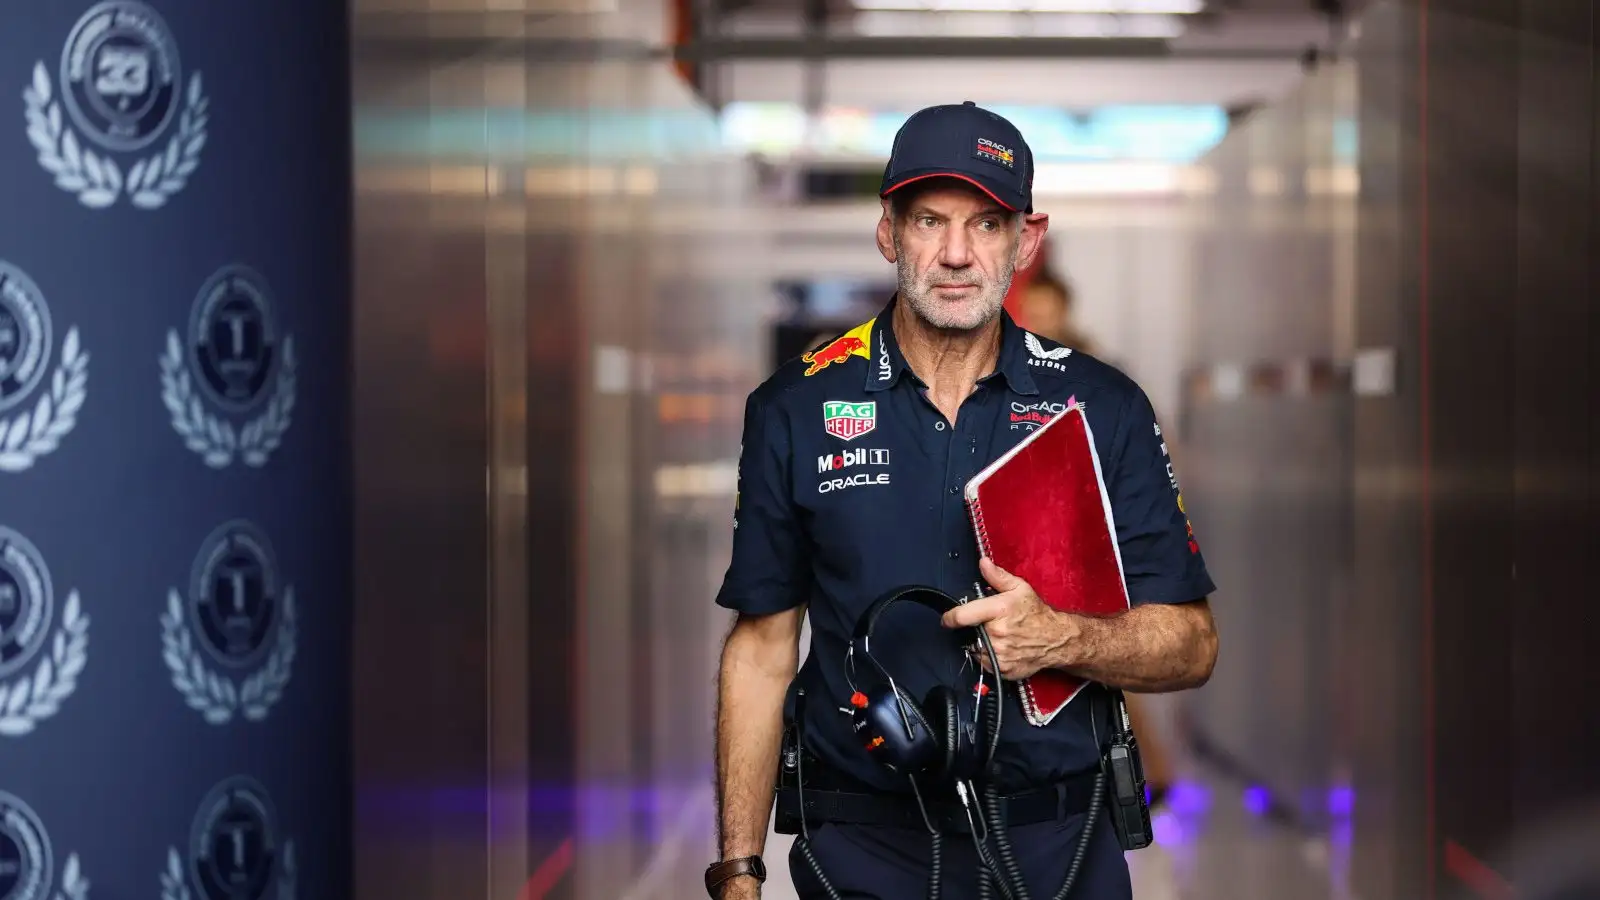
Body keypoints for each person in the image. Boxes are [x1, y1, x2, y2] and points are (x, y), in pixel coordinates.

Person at [707, 101, 1219, 900]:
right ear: (888, 232)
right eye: (928, 221)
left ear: (1027, 242)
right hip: (861, 851)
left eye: (986, 224)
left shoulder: (1102, 409)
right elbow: (763, 650)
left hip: (1058, 848)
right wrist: (739, 869)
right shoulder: (796, 408)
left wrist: (1062, 640)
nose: (955, 254)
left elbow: (1191, 645)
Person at [1012, 253, 1180, 812]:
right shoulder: (1015, 373)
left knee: (1109, 659)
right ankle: (1134, 773)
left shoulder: (1101, 375)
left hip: (1100, 534)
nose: (1039, 321)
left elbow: (1153, 446)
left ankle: (1148, 774)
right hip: (1049, 534)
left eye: (1046, 311)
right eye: (1031, 312)